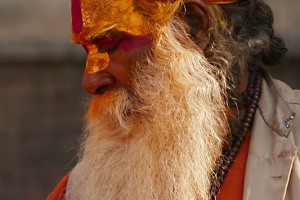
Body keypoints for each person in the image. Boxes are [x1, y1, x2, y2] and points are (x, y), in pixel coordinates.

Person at [48, 0, 300, 199]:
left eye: (111, 43)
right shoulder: (76, 192)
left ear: (192, 26)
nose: (90, 80)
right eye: (86, 51)